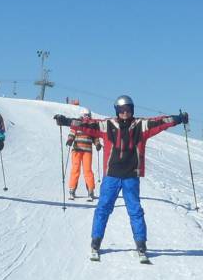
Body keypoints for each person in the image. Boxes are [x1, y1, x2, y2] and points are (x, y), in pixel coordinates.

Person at [54, 95, 188, 260]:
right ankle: (96, 241)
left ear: (132, 110)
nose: (125, 113)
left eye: (128, 109)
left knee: (135, 210)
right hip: (112, 176)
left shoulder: (141, 126)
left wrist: (179, 119)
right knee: (103, 209)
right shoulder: (107, 125)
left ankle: (141, 244)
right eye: (122, 110)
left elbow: (161, 122)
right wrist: (66, 121)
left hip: (131, 176)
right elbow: (86, 124)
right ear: (117, 111)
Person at [66, 108, 102, 201]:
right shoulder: (76, 123)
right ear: (81, 115)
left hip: (87, 151)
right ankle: (72, 190)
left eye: (88, 115)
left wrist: (97, 144)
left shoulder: (92, 125)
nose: (87, 117)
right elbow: (72, 133)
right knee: (75, 169)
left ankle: (90, 190)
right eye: (85, 115)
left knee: (87, 170)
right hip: (77, 150)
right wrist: (70, 140)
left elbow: (95, 137)